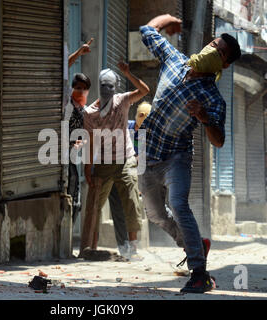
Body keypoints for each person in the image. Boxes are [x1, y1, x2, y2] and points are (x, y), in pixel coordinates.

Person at [137, 14, 241, 293]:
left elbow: (218, 140)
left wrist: (204, 117)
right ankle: (194, 244)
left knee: (179, 205)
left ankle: (199, 273)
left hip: (177, 156)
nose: (211, 51)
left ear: (225, 64)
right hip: (148, 155)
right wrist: (168, 18)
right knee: (155, 215)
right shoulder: (174, 60)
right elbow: (147, 30)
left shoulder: (212, 97)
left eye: (219, 53)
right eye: (212, 45)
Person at [79, 60, 150, 260]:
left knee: (131, 202)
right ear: (99, 87)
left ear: (115, 87)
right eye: (104, 86)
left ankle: (133, 248)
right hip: (102, 163)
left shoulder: (123, 100)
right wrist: (87, 168)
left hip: (126, 159)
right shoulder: (90, 113)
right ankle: (90, 248)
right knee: (95, 205)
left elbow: (144, 90)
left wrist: (128, 73)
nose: (107, 90)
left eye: (110, 86)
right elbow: (90, 142)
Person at [108, 102, 152, 258]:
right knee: (117, 210)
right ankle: (123, 247)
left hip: (131, 176)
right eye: (142, 116)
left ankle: (132, 248)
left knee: (132, 208)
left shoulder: (148, 135)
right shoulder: (126, 127)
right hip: (114, 171)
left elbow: (143, 161)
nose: (143, 121)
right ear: (137, 115)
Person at [66, 39, 93, 225]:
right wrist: (78, 53)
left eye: (84, 89)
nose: (80, 91)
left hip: (71, 156)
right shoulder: (65, 100)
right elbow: (62, 66)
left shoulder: (85, 111)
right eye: (78, 88)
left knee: (75, 197)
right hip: (59, 152)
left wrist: (80, 143)